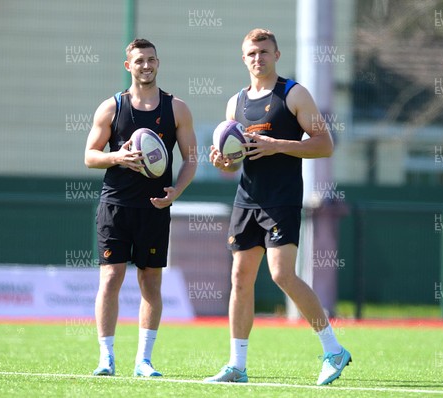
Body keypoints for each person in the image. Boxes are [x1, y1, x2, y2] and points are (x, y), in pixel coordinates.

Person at [205, 28, 351, 386]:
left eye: (265, 52)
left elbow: (324, 145)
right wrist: (223, 162)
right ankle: (237, 365)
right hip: (246, 198)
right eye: (252, 54)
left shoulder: (293, 93)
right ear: (244, 59)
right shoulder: (235, 103)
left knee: (281, 274)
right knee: (239, 278)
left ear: (277, 54)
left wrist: (277, 145)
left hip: (282, 198)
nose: (259, 59)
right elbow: (234, 165)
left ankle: (333, 350)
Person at [85, 38, 196, 377]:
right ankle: (106, 357)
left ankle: (143, 361)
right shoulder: (111, 107)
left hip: (154, 208)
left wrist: (175, 191)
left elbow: (191, 160)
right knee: (111, 277)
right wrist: (118, 156)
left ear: (158, 63)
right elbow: (90, 156)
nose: (145, 66)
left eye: (151, 60)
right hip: (116, 205)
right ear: (128, 66)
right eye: (139, 61)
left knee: (150, 282)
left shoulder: (176, 108)